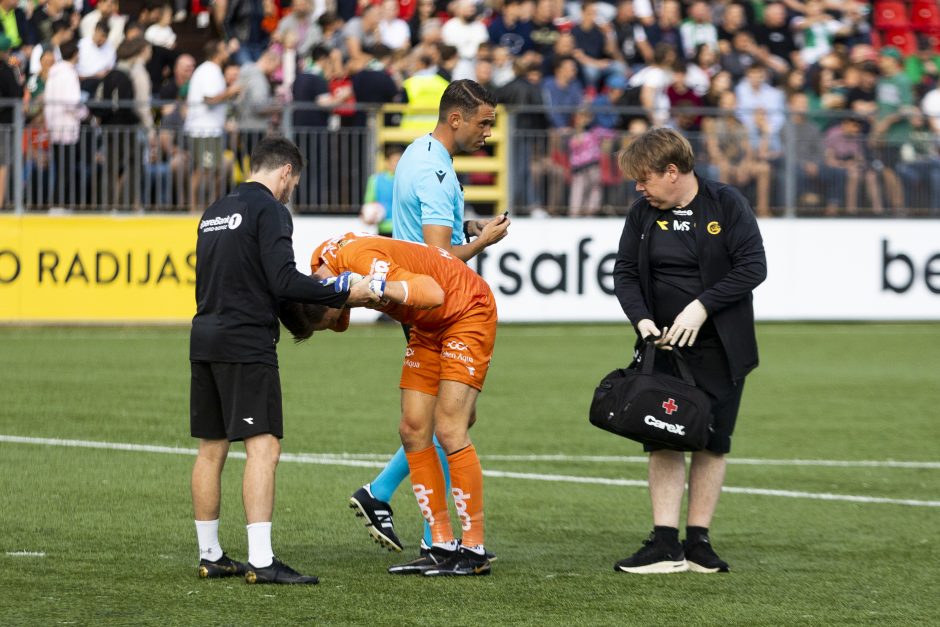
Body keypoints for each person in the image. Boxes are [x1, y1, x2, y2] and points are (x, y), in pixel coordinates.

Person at [189, 136, 379, 586]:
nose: (292, 190)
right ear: (286, 172)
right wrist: (343, 290)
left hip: (205, 336)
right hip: (245, 342)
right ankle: (260, 560)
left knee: (211, 450)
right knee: (264, 447)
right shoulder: (271, 210)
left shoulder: (215, 211)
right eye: (294, 181)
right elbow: (283, 279)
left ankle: (211, 553)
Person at [348, 79, 510, 572]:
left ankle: (399, 509)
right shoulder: (438, 171)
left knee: (442, 423)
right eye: (483, 123)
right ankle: (433, 536)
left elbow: (423, 235)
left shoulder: (418, 154)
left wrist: (467, 225)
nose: (489, 132)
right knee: (450, 426)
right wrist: (484, 242)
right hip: (437, 304)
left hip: (420, 303)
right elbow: (441, 260)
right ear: (456, 118)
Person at [289, 230, 501, 576]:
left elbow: (432, 293)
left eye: (329, 321)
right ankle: (441, 545)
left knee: (449, 429)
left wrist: (375, 287)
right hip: (427, 324)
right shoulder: (322, 263)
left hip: (465, 310)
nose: (338, 323)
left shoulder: (360, 265)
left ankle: (474, 550)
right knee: (413, 429)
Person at [612, 128, 767, 574]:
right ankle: (665, 543)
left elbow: (753, 266)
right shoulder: (642, 214)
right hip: (661, 347)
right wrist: (641, 318)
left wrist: (701, 308)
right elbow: (624, 271)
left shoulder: (726, 203)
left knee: (713, 443)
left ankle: (698, 543)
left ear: (673, 172)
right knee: (663, 438)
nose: (638, 189)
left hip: (722, 346)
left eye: (645, 180)